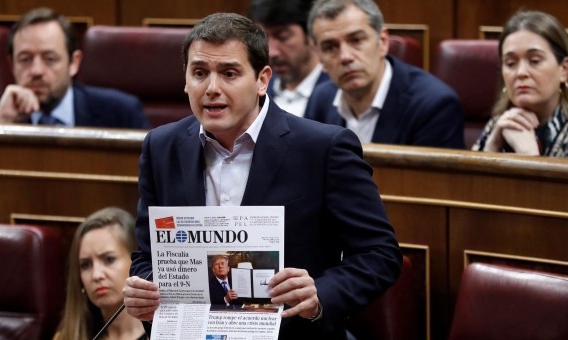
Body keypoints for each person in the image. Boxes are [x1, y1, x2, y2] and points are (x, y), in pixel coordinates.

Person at [122, 12, 401, 339]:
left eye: (229, 73)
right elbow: (148, 256)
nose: (212, 88)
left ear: (262, 79)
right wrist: (143, 292)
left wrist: (320, 294)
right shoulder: (161, 147)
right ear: (185, 79)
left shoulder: (323, 148)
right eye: (199, 73)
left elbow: (379, 254)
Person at [305, 0, 465, 148]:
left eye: (356, 40)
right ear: (320, 58)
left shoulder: (434, 105)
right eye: (330, 47)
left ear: (382, 42)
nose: (345, 56)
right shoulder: (321, 100)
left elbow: (431, 180)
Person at [0, 7, 149, 129]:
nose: (36, 71)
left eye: (50, 59)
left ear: (74, 63)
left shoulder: (121, 114)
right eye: (25, 59)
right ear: (12, 65)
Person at [472, 11, 568, 157]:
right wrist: (491, 147)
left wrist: (528, 156)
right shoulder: (502, 122)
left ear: (564, 70)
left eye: (535, 61)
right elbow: (469, 179)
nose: (521, 72)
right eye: (511, 63)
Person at [54, 207, 146, 340]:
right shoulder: (65, 336)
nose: (96, 275)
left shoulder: (163, 335)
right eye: (85, 265)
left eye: (109, 259)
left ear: (136, 261)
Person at [247, 0, 330, 118]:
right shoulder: (255, 92)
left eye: (283, 37)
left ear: (310, 34)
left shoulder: (338, 93)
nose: (272, 52)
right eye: (263, 39)